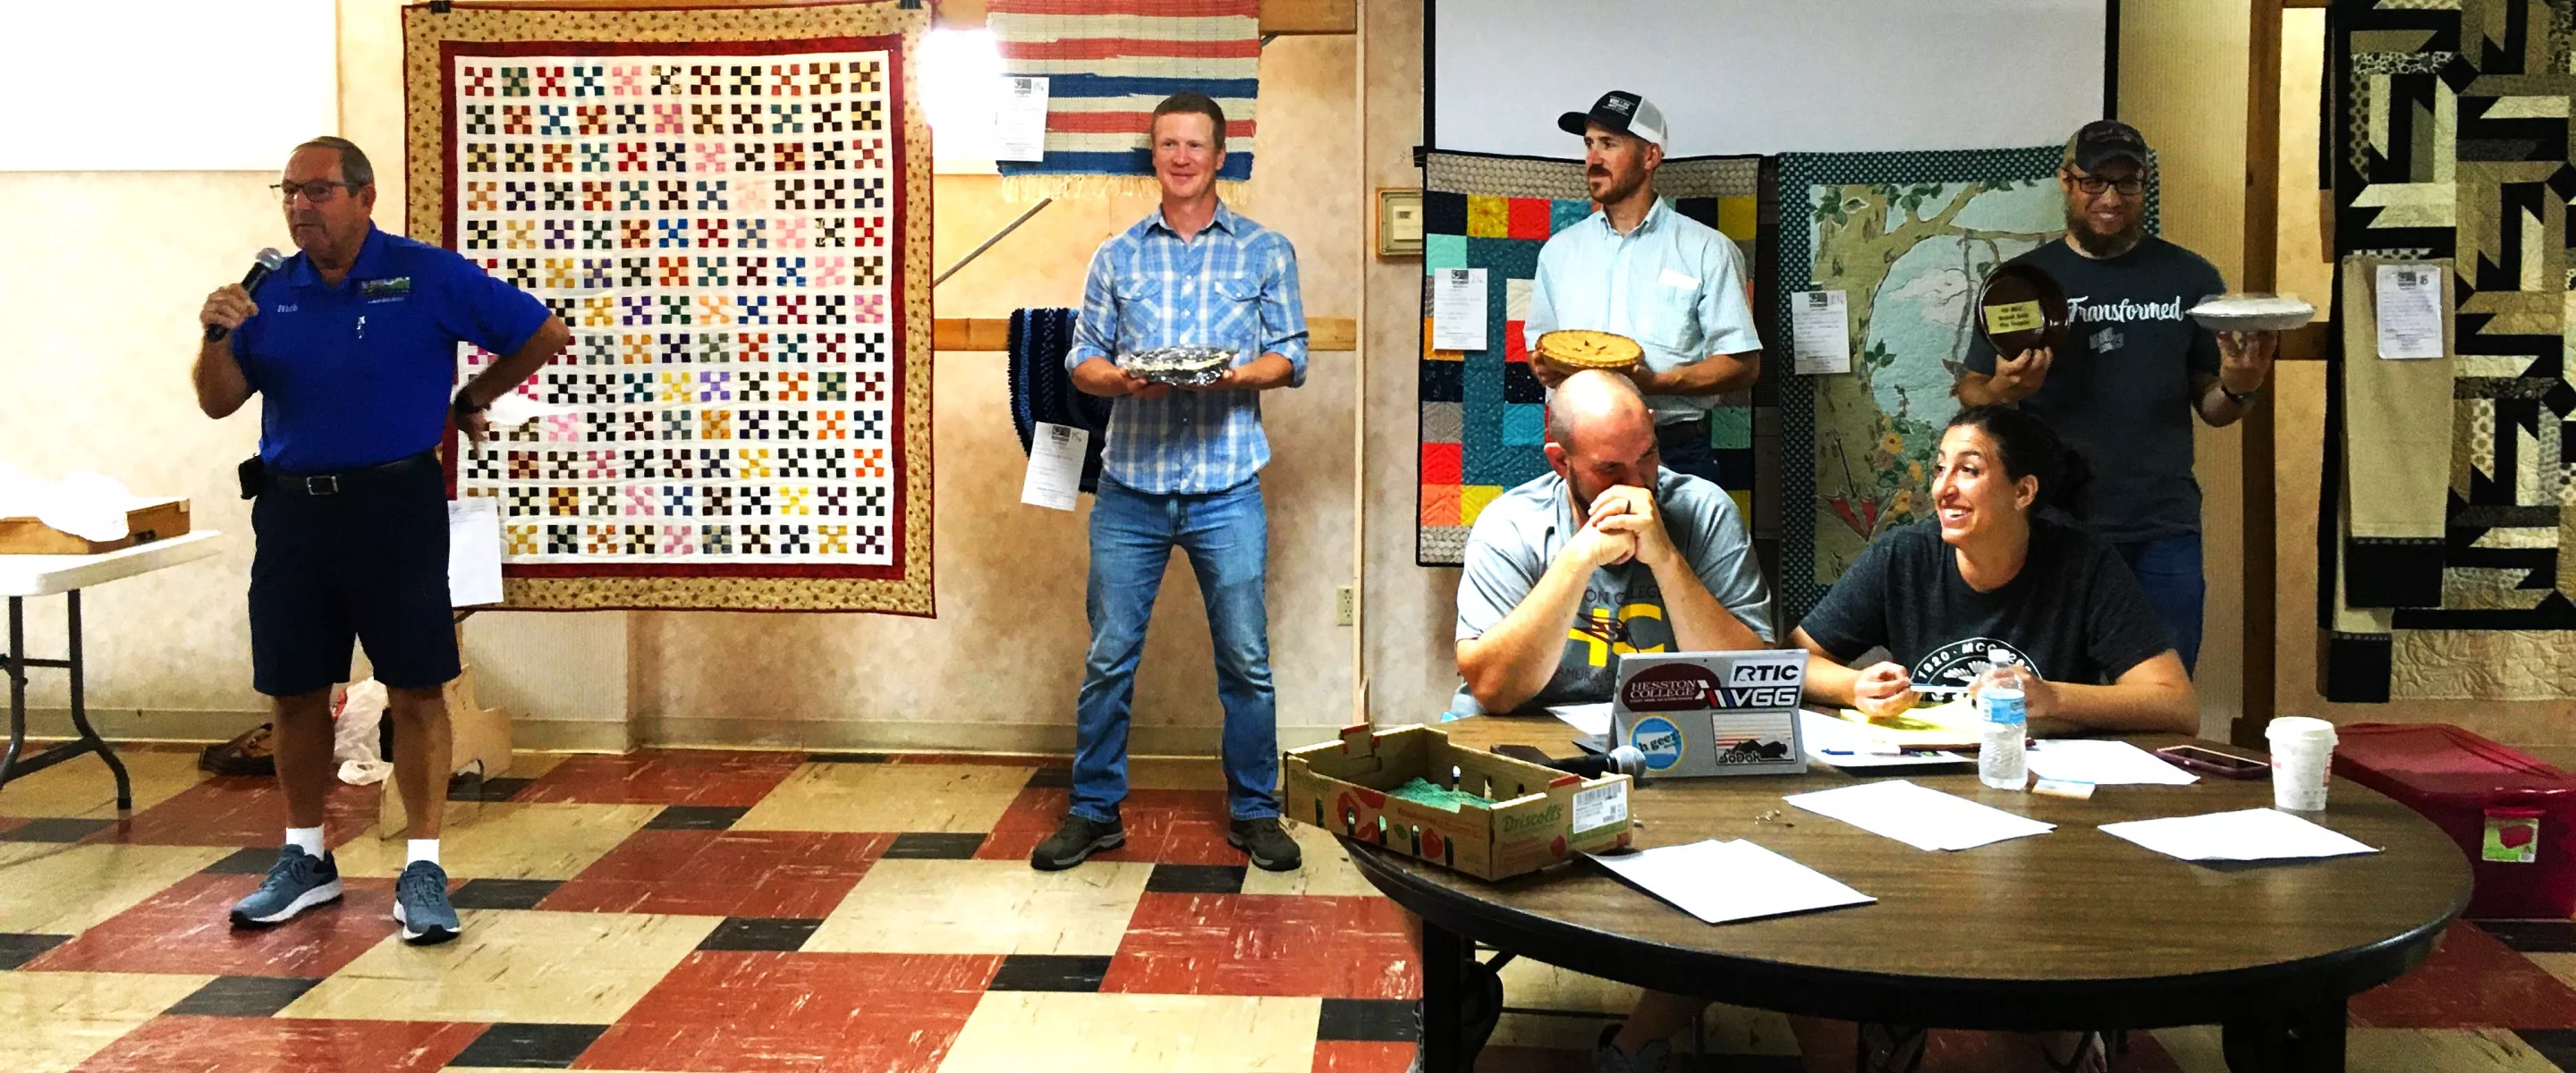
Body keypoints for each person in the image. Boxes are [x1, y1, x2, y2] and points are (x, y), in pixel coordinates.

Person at [1589, 405, 2194, 1073]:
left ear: (2024, 492)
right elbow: (1794, 663)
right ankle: (1645, 1051)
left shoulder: (2081, 565)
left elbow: (2175, 704)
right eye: (1939, 469)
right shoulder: (1905, 556)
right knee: (1777, 890)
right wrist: (1854, 688)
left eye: (1969, 470)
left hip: (2042, 819)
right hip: (1915, 811)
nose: (1943, 488)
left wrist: (2052, 697)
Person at [194, 137, 571, 945]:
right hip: (293, 511)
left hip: (394, 505)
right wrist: (216, 335)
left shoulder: (424, 273)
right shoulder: (267, 292)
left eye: (319, 191)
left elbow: (541, 333)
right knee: (295, 691)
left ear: (364, 197)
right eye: (289, 191)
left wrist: (472, 394)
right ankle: (306, 859)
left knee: (417, 685)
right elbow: (218, 405)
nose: (301, 206)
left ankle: (424, 867)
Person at [1037, 92, 1308, 874]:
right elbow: (1081, 358)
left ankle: (1255, 812)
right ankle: (1094, 812)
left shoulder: (1266, 251)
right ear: (1152, 155)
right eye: (1168, 145)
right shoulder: (1115, 256)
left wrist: (1228, 375)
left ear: (1222, 157)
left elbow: (1291, 357)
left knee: (1247, 660)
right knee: (1110, 655)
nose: (1182, 157)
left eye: (1196, 145)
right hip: (1132, 490)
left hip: (1228, 488)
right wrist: (1121, 382)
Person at [1955, 119, 2279, 674]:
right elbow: (1970, 391)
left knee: (2160, 695)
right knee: (2049, 693)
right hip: (2050, 526)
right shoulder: (2023, 281)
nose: (2110, 198)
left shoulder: (2190, 277)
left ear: (2145, 184)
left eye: (2127, 183)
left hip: (2162, 528)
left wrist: (2240, 388)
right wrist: (2005, 390)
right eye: (2093, 181)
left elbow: (2213, 407)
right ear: (2065, 181)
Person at [1453, 369, 1775, 715]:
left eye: (1647, 456)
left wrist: (1667, 560)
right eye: (1610, 469)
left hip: (1659, 733)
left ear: (1652, 427)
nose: (1636, 484)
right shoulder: (1510, 524)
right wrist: (1577, 560)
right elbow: (1493, 690)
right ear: (1561, 461)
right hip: (1525, 734)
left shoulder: (1705, 511)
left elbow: (1747, 681)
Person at [1525, 90, 1764, 486]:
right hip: (1580, 458)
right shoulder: (1559, 252)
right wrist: (1544, 366)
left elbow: (1743, 365)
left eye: (1609, 144)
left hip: (1674, 453)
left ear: (1650, 157)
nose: (1593, 159)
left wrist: (1656, 383)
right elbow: (1541, 348)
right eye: (1589, 144)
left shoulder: (1707, 250)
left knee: (1675, 552)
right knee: (1581, 554)